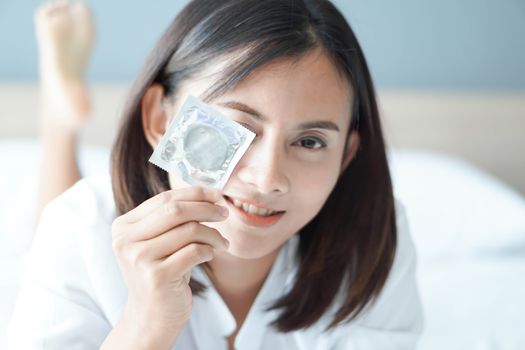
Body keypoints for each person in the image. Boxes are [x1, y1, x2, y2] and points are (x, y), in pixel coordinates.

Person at [8, 0, 424, 349]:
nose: (267, 179)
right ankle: (59, 122)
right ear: (160, 118)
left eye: (310, 142)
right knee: (61, 222)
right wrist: (146, 326)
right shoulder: (80, 223)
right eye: (240, 128)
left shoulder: (374, 236)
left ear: (346, 155)